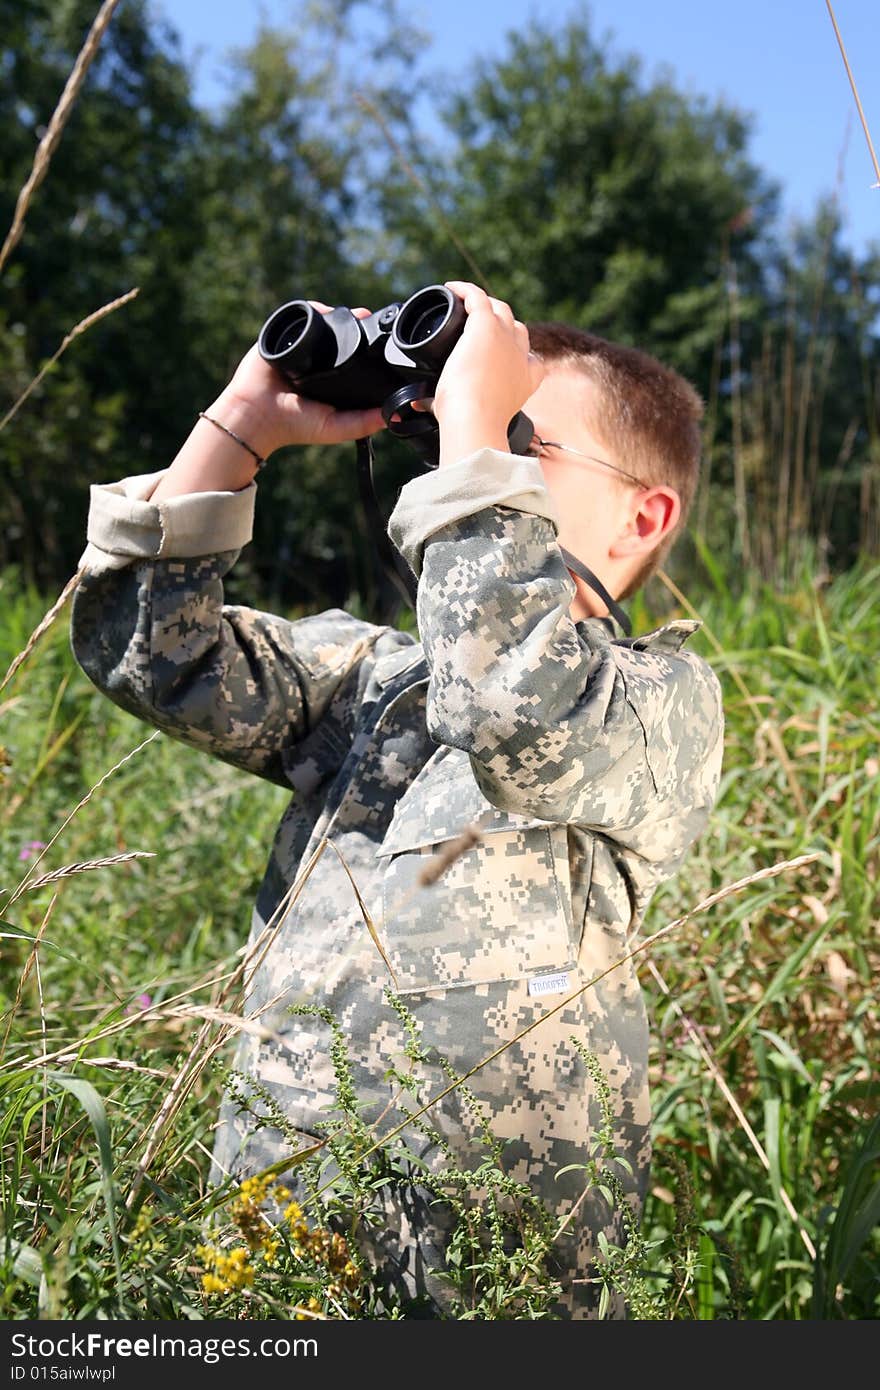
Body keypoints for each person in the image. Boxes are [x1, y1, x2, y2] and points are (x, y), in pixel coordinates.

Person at [70, 280, 725, 1318]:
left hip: (493, 1263)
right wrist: (242, 425)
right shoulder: (377, 679)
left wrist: (471, 427)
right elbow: (152, 654)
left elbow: (513, 699)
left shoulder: (656, 703)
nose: (475, 470)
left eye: (521, 443)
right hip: (276, 1227)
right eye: (465, 447)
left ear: (642, 515)